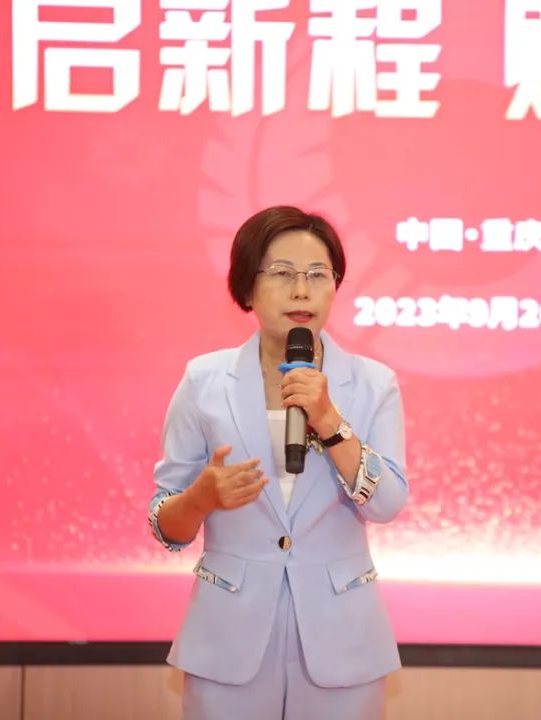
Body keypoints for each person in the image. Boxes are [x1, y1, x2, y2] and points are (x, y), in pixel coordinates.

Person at [148, 205, 409, 720]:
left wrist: (329, 420)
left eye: (318, 275)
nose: (301, 291)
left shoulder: (373, 384)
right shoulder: (204, 381)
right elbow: (164, 523)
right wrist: (201, 498)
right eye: (283, 274)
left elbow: (387, 504)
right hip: (228, 638)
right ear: (247, 288)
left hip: (342, 639)